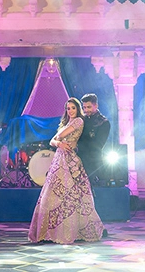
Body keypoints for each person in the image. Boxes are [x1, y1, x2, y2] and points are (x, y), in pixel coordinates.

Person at [28, 98, 105, 244]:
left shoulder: (78, 121)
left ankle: (73, 230)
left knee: (73, 195)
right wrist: (59, 144)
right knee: (54, 194)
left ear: (78, 109)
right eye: (68, 108)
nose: (70, 111)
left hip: (70, 159)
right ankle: (50, 232)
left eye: (73, 108)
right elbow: (52, 141)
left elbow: (58, 137)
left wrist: (58, 141)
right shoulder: (66, 123)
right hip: (60, 158)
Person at [78, 93, 111, 185]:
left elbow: (97, 145)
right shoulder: (81, 120)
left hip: (93, 164)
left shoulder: (103, 122)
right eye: (84, 107)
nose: (86, 110)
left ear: (96, 106)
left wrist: (78, 146)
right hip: (78, 160)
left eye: (88, 107)